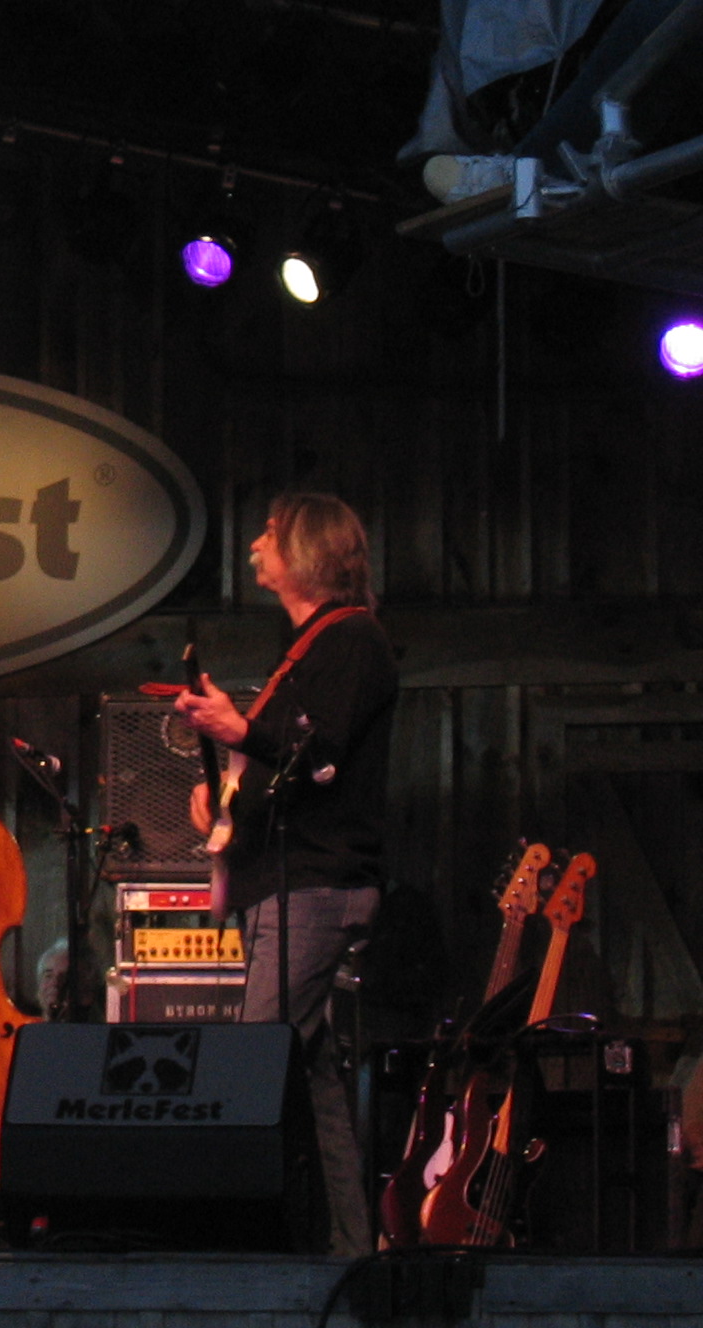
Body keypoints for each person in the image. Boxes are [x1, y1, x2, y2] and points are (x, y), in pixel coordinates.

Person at [177, 493, 397, 1258]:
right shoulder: (309, 649)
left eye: (267, 536)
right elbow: (290, 764)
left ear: (305, 550)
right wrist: (226, 799)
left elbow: (321, 754)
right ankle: (350, 1244)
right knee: (311, 1078)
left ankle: (228, 1245)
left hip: (318, 885)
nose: (253, 549)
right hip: (292, 882)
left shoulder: (353, 642)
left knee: (250, 1064)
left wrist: (239, 729)